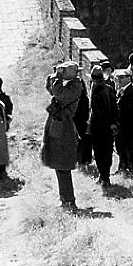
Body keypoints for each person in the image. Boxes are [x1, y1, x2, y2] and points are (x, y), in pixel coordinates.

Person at [42, 61, 83, 210]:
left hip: (64, 128)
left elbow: (58, 92)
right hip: (59, 125)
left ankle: (69, 200)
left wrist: (58, 77)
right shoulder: (68, 84)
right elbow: (50, 88)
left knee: (63, 165)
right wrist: (54, 75)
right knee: (59, 166)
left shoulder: (76, 87)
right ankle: (64, 198)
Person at [88, 65, 117, 187]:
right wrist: (113, 123)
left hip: (99, 126)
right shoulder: (109, 88)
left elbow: (99, 111)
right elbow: (114, 108)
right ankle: (105, 177)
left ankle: (104, 177)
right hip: (108, 126)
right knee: (107, 151)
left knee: (100, 152)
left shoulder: (96, 90)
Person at [114, 70, 133, 174]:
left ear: (128, 78)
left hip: (128, 124)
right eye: (118, 78)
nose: (119, 80)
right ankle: (123, 166)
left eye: (122, 78)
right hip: (121, 124)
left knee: (128, 146)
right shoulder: (121, 90)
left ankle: (131, 167)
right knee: (120, 146)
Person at [74, 74, 92, 167]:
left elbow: (85, 112)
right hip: (75, 122)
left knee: (85, 142)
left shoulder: (84, 98)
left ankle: (85, 161)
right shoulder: (74, 98)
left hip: (83, 122)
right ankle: (79, 160)